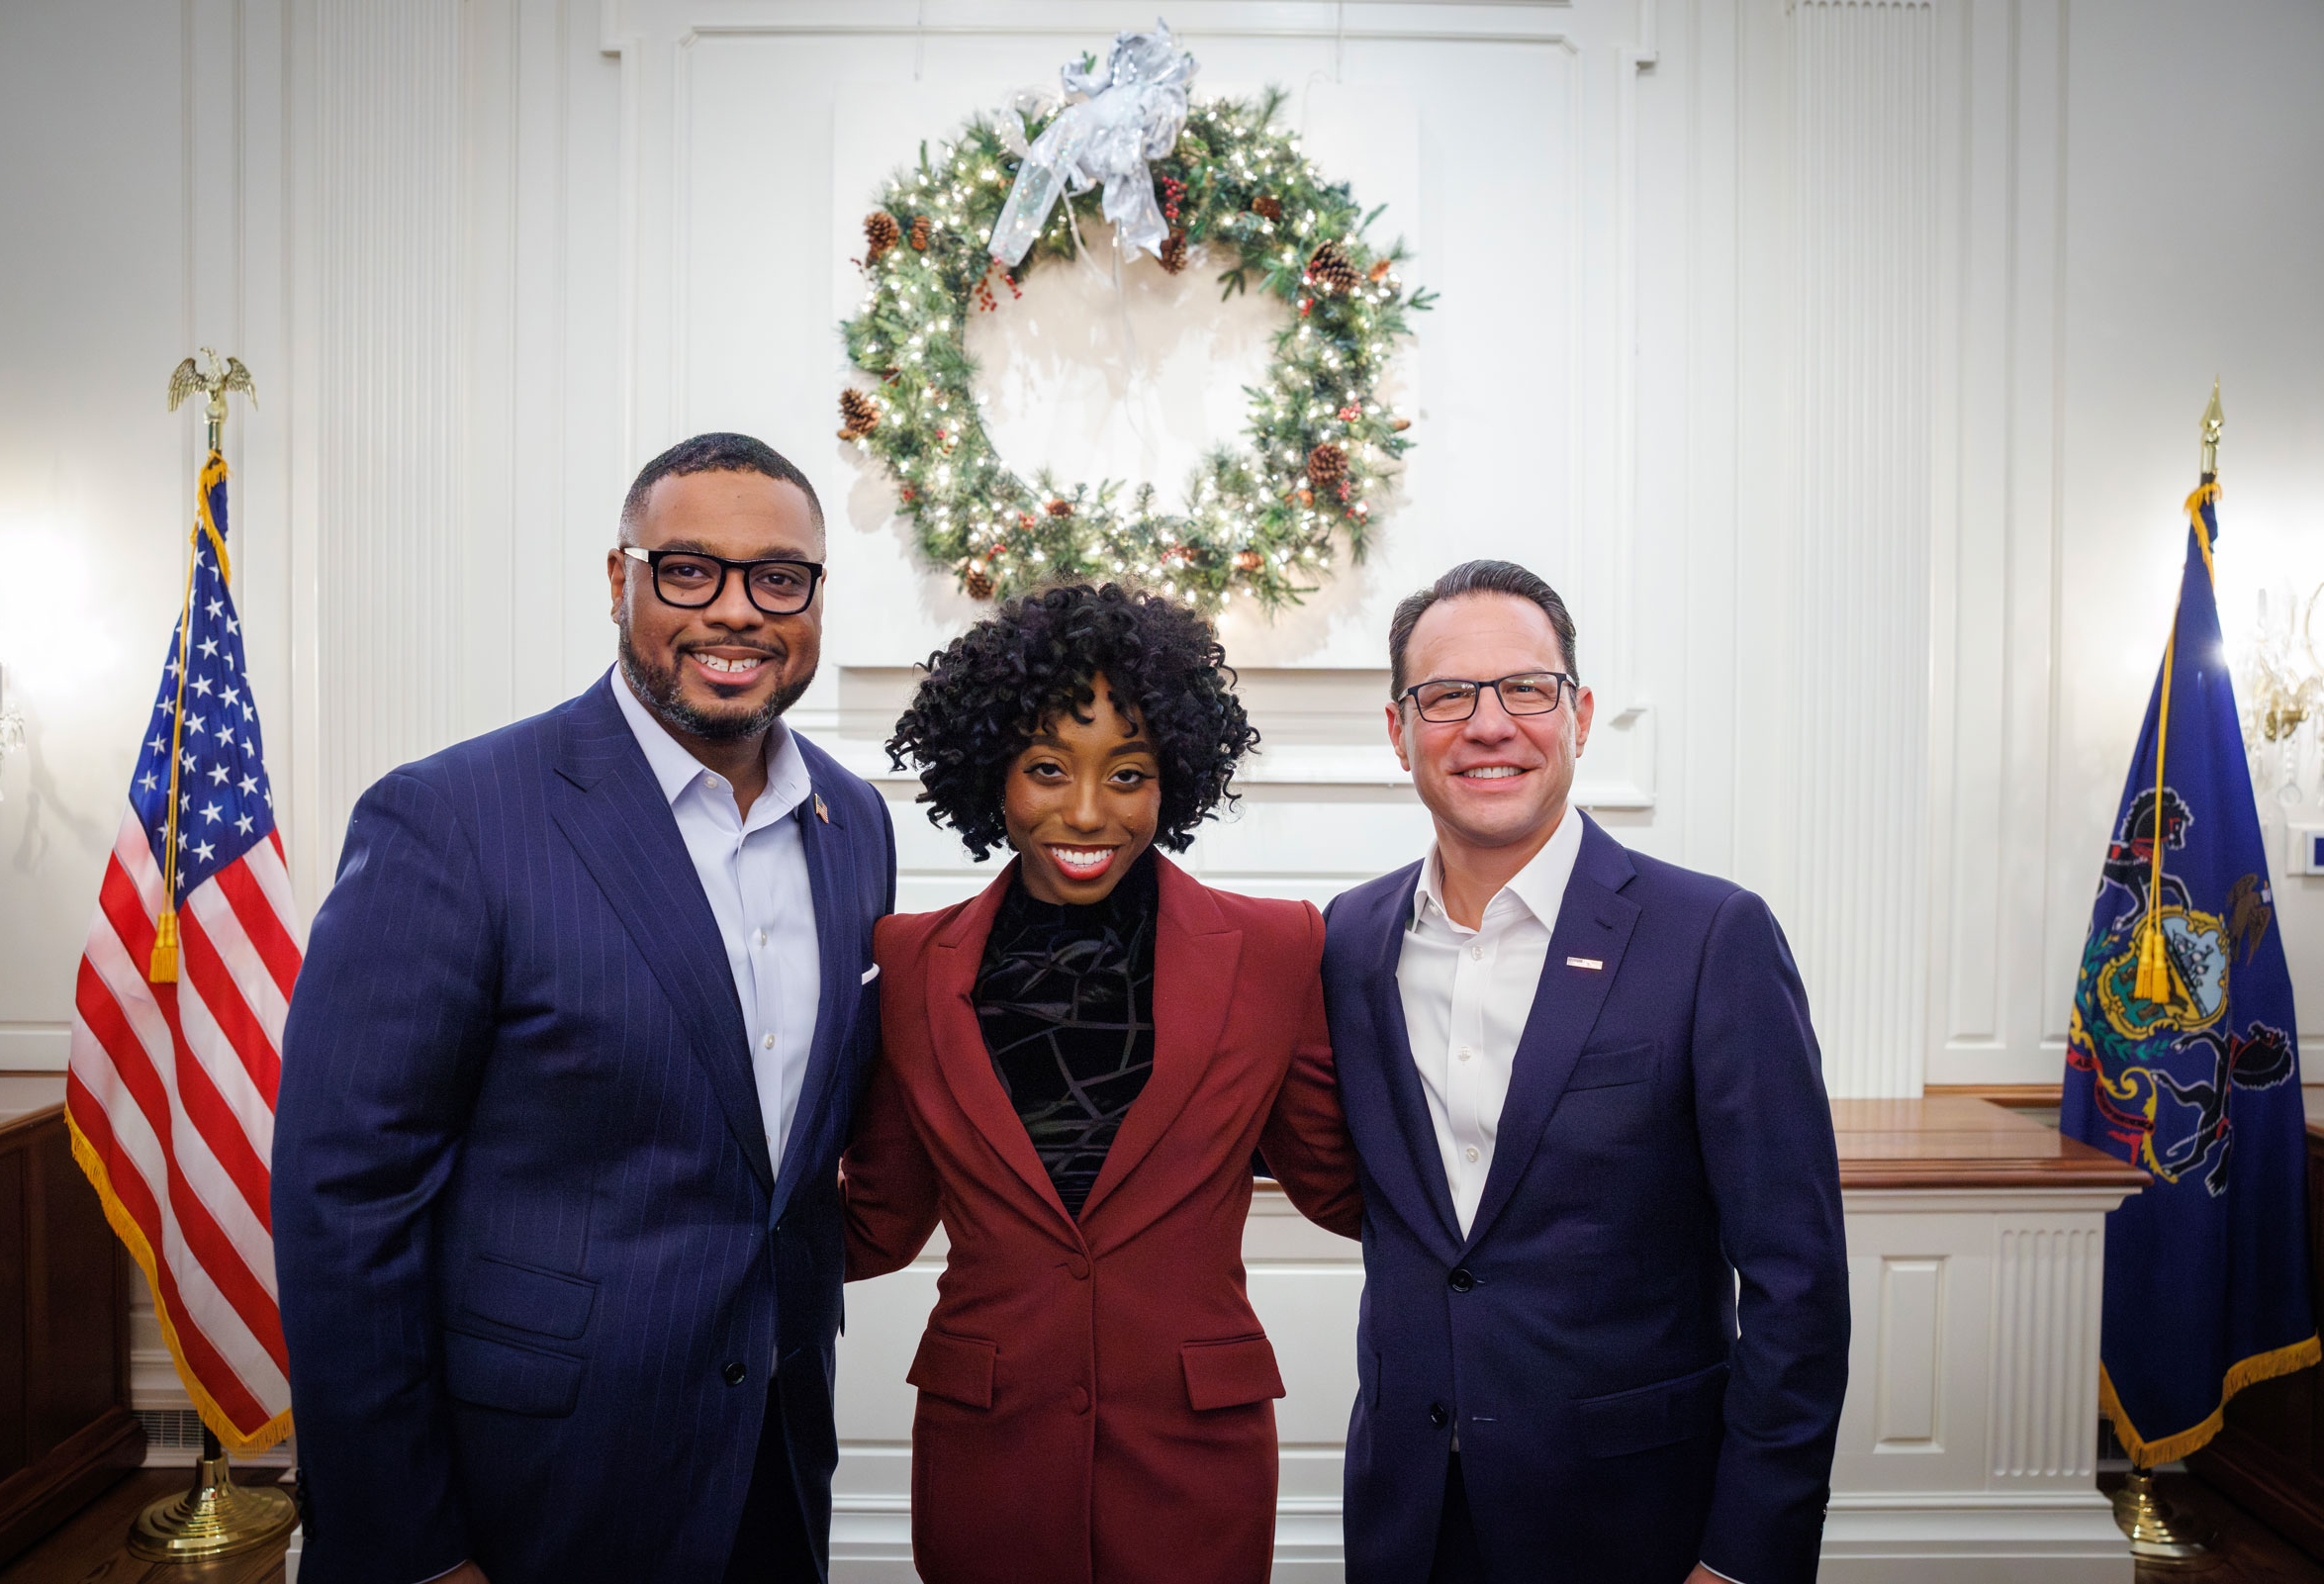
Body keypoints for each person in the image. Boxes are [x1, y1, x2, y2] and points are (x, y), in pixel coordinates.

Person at [271, 433, 894, 1584]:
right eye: (689, 569)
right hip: (526, 1479)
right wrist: (408, 1542)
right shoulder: (454, 817)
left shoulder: (853, 824)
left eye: (779, 576)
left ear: (813, 597)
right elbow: (344, 1200)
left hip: (771, 1455)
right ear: (621, 582)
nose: (737, 611)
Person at [1325, 560, 1849, 1584]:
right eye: (1447, 695)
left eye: (1527, 688)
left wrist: (1746, 1551)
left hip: (1635, 1518)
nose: (1489, 724)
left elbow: (1797, 1281)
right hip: (1410, 1510)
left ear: (1579, 714)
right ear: (1399, 730)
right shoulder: (1350, 940)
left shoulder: (1711, 936)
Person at [841, 583, 1361, 1584]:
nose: (1087, 810)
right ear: (991, 771)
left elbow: (1338, 1186)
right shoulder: (909, 963)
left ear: (1174, 777)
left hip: (1194, 1452)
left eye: (1128, 772)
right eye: (1047, 768)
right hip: (985, 1448)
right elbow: (877, 1223)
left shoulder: (1275, 949)